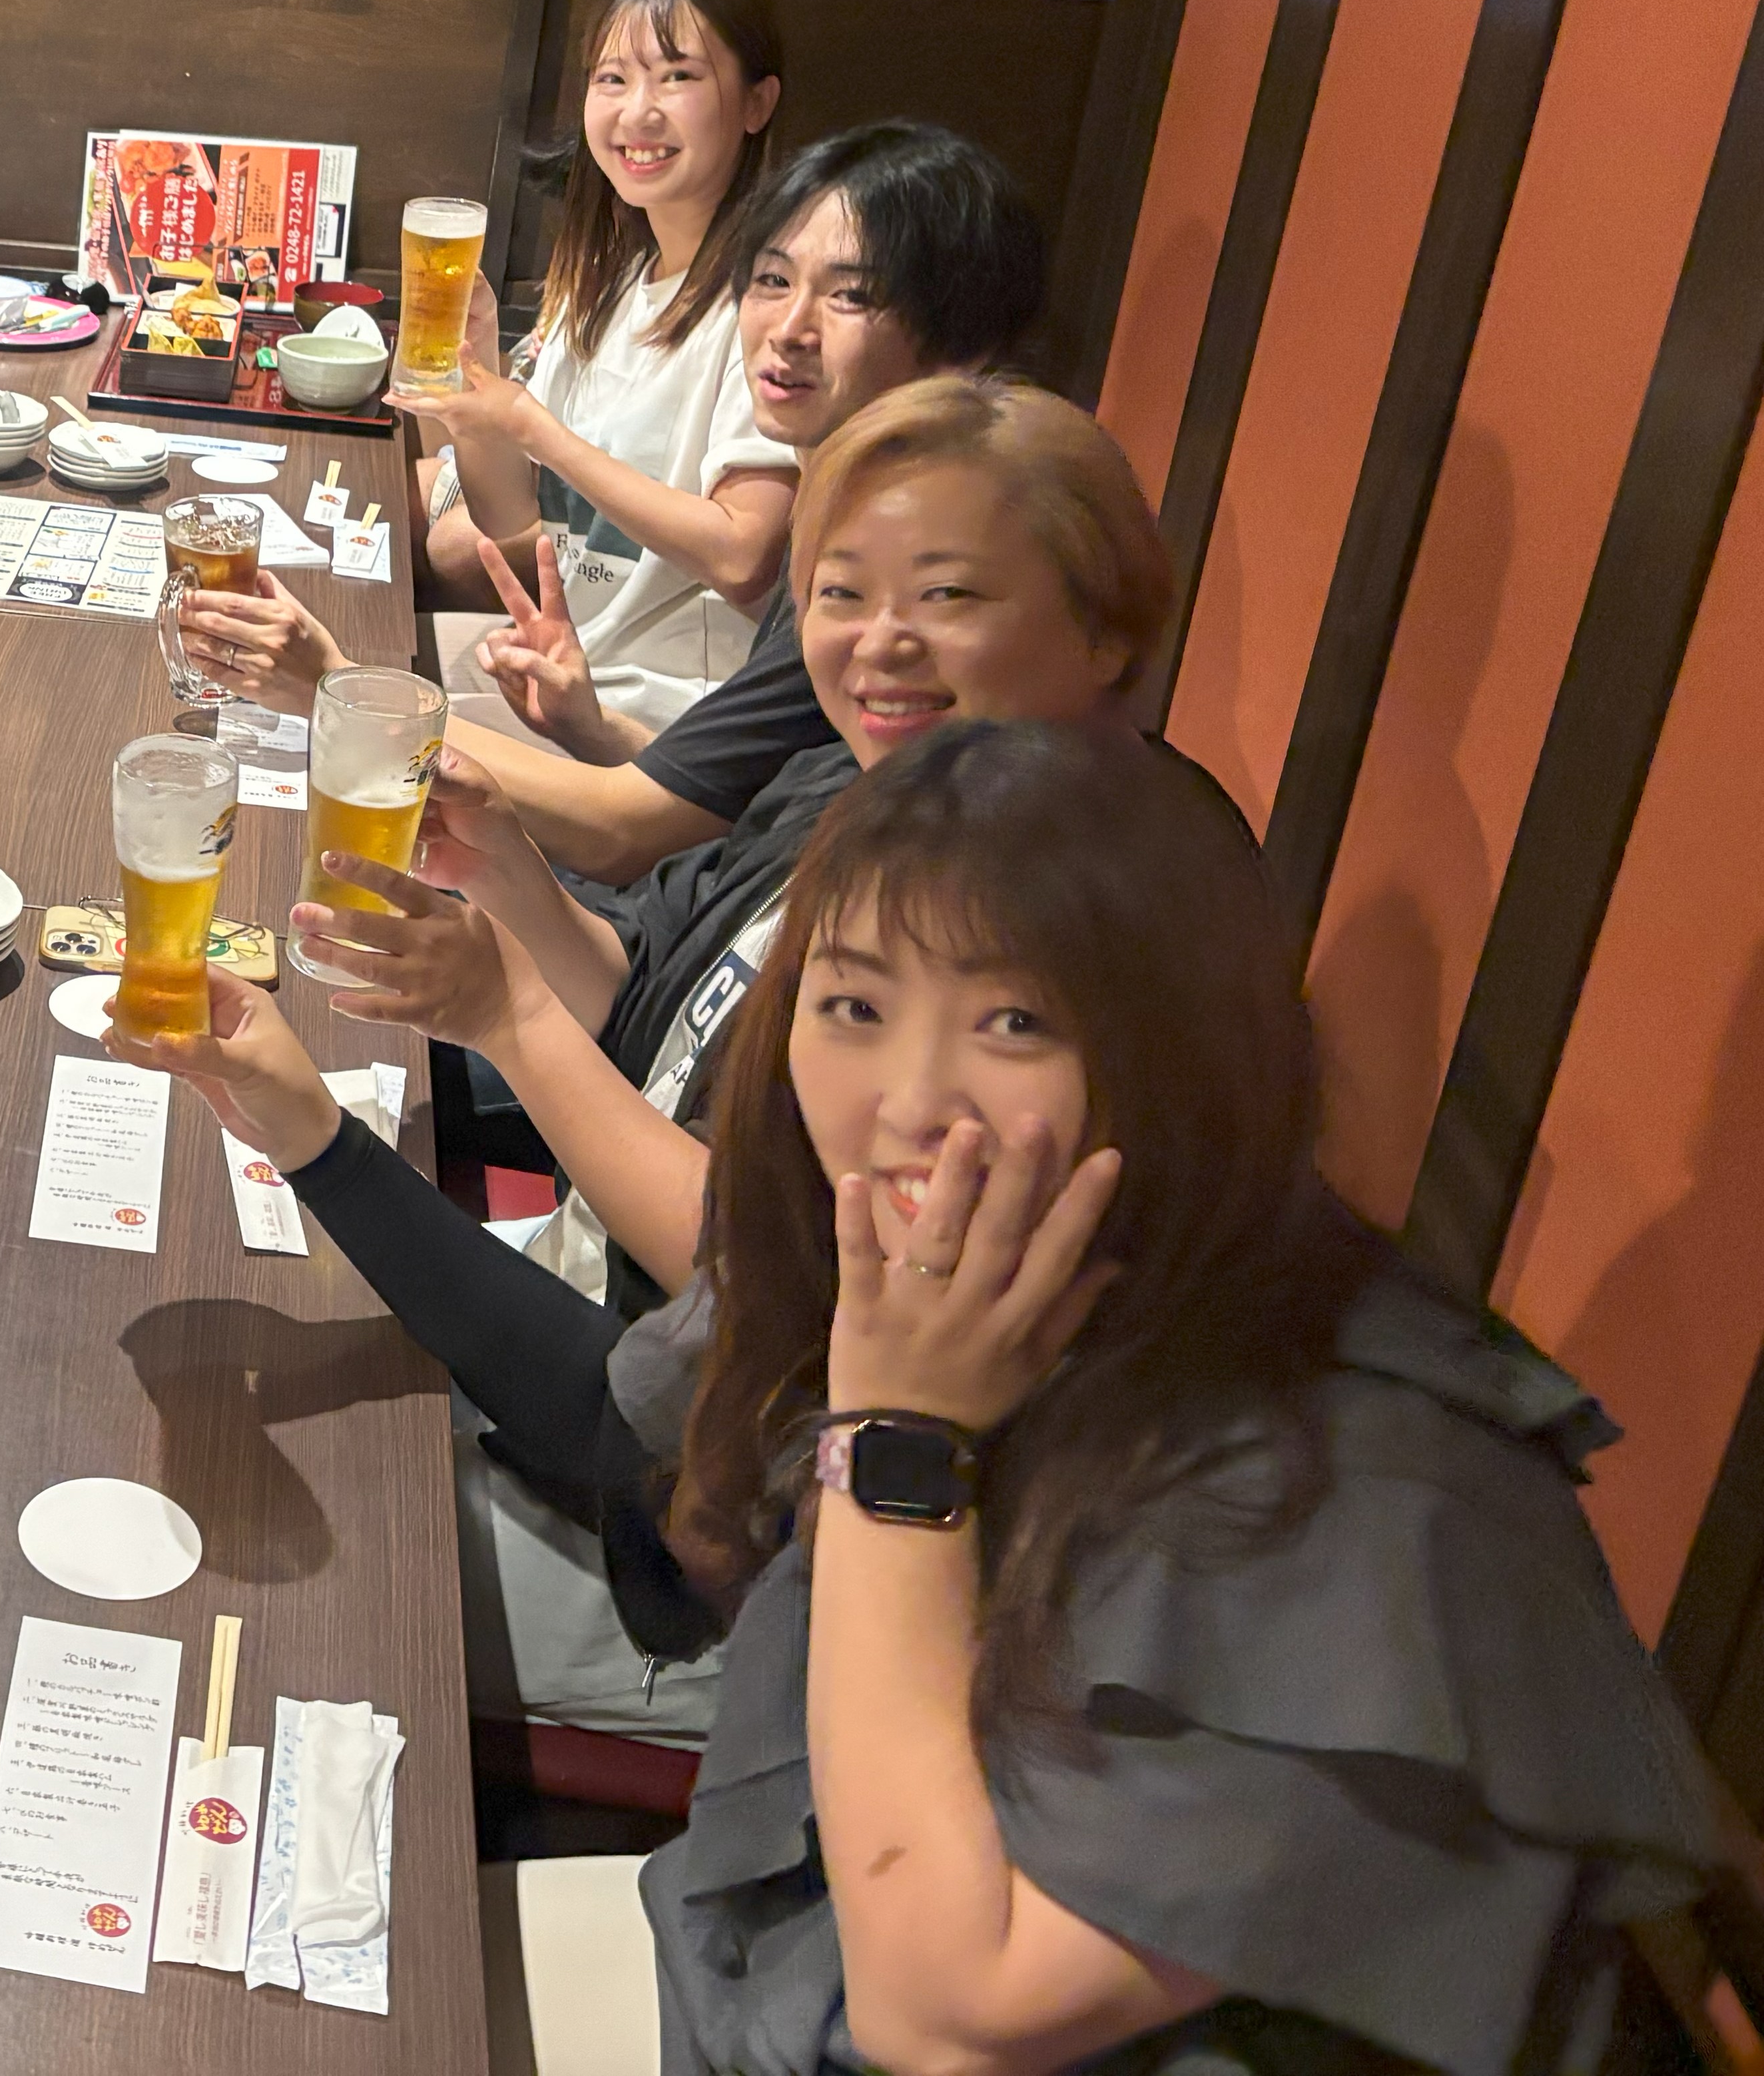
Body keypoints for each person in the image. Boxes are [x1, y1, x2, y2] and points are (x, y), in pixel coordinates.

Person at [109, 376, 1174, 1740]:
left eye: (949, 596)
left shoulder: (1056, 955)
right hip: (597, 1333)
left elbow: (708, 1351)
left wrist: (396, 1093)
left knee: (209, 1536)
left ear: (1107, 628)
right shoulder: (863, 789)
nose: (881, 644)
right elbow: (652, 1010)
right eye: (841, 593)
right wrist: (505, 874)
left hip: (721, 1566)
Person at [651, 723, 1717, 2072]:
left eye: (1015, 1021)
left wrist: (895, 1442)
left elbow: (947, 2017)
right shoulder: (989, 1310)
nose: (907, 1104)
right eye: (854, 1006)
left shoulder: (1364, 1498)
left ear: (1180, 1057)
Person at [175, 121, 1046, 890]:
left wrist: (337, 691)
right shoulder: (840, 518)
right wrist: (590, 727)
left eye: (851, 295)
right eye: (774, 280)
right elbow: (709, 807)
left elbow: (627, 833)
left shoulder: (878, 580)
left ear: (960, 344)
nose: (790, 328)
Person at [412, 0, 794, 731]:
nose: (637, 112)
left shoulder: (768, 306)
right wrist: (475, 382)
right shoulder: (615, 285)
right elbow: (510, 515)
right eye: (613, 80)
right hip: (567, 675)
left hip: (667, 718)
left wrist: (534, 428)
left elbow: (741, 557)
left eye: (678, 77)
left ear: (757, 103)